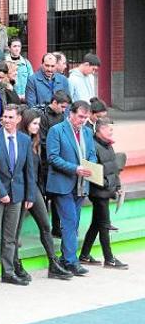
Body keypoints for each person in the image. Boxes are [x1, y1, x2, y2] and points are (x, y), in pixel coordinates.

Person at [16, 109, 74, 280]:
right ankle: (15, 265)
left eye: (38, 124)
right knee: (15, 233)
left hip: (36, 190)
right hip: (22, 191)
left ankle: (53, 264)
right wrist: (27, 194)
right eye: (34, 123)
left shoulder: (35, 141)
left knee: (46, 227)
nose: (37, 127)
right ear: (26, 122)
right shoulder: (20, 140)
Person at [0, 105, 35, 288]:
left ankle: (8, 272)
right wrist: (1, 192)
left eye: (10, 117)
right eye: (4, 117)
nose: (6, 120)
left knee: (11, 236)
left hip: (18, 195)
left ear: (18, 119)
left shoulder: (24, 140)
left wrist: (30, 195)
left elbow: (29, 169)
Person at [46, 101, 97, 276]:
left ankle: (65, 258)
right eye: (80, 116)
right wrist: (75, 168)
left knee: (73, 223)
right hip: (63, 183)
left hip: (82, 184)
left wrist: (91, 167)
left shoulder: (88, 132)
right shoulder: (57, 130)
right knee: (69, 221)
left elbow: (91, 154)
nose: (83, 120)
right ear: (71, 113)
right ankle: (70, 261)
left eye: (86, 117)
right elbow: (52, 157)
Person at [80, 117, 128, 269]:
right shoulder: (92, 146)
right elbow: (93, 173)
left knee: (96, 223)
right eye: (110, 129)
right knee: (104, 225)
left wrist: (117, 185)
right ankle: (109, 259)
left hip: (107, 190)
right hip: (98, 193)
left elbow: (114, 168)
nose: (112, 132)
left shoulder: (108, 145)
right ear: (100, 130)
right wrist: (109, 185)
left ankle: (84, 255)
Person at [39, 90, 72, 238]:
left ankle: (56, 227)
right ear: (54, 103)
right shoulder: (44, 117)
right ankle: (45, 228)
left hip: (58, 160)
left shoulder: (62, 116)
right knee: (46, 196)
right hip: (46, 161)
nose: (64, 110)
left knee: (57, 196)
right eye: (62, 107)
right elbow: (43, 140)